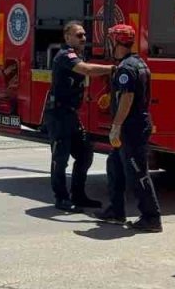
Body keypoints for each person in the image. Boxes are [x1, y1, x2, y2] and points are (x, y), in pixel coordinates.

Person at [96, 24, 163, 231]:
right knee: (114, 166)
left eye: (110, 40)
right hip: (133, 125)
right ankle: (116, 211)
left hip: (131, 128)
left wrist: (116, 126)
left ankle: (151, 217)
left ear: (116, 42)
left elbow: (128, 97)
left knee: (137, 171)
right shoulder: (137, 63)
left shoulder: (126, 67)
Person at [47, 21, 113, 212]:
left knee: (85, 154)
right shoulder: (65, 55)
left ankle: (78, 195)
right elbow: (87, 70)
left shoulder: (78, 55)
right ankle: (61, 198)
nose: (83, 38)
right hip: (58, 115)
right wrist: (112, 69)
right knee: (60, 158)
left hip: (71, 114)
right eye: (79, 35)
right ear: (67, 37)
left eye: (84, 35)